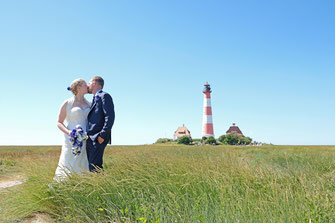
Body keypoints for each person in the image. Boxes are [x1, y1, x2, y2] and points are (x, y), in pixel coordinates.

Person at [54, 79, 91, 181]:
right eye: (85, 84)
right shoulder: (68, 103)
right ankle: (65, 185)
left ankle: (83, 184)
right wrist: (69, 132)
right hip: (72, 138)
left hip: (86, 138)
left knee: (84, 161)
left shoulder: (90, 103)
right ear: (78, 87)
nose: (88, 86)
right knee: (69, 161)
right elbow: (59, 122)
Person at [86, 76, 115, 172]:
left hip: (99, 137)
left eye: (89, 83)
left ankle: (100, 185)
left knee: (95, 166)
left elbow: (109, 117)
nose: (87, 86)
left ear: (94, 84)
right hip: (91, 137)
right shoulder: (94, 99)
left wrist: (102, 135)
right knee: (92, 165)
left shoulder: (105, 96)